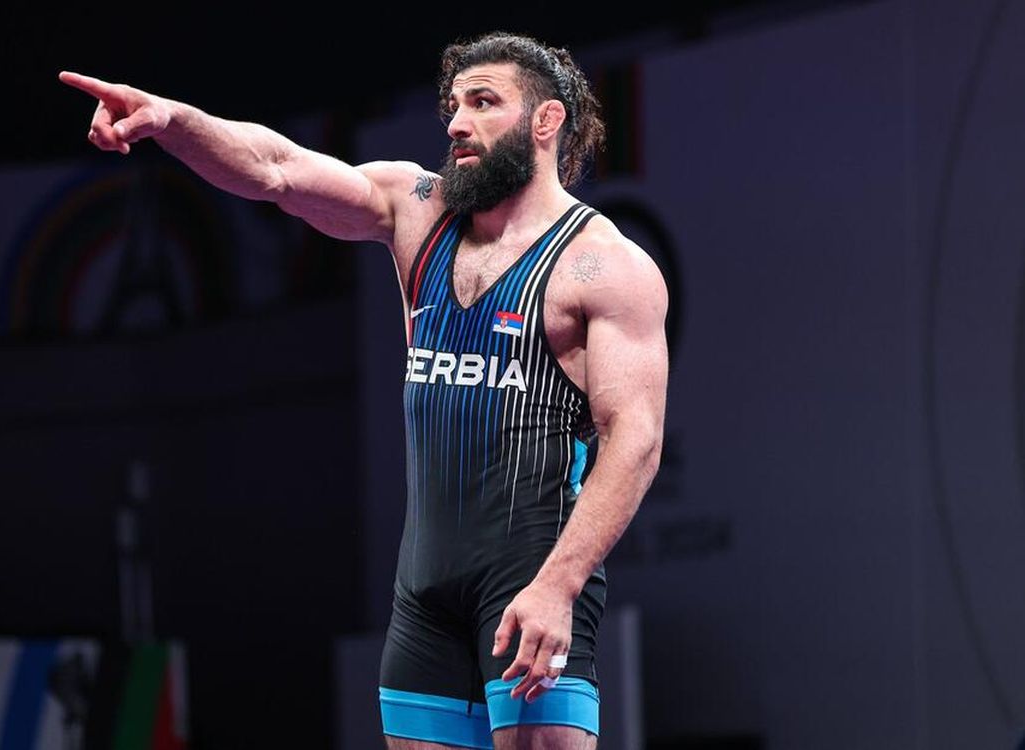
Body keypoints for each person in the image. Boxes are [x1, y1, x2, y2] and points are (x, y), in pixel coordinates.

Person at [60, 30, 668, 750]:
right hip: (424, 598)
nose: (457, 123)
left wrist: (560, 586)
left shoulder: (604, 266)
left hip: (533, 581)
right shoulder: (416, 210)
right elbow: (277, 169)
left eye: (483, 102)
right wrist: (171, 120)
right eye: (452, 106)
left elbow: (634, 440)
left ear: (547, 119)